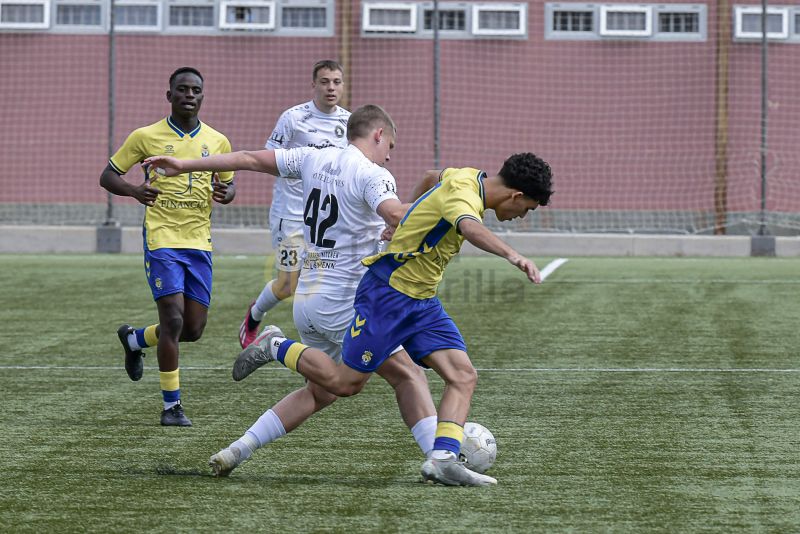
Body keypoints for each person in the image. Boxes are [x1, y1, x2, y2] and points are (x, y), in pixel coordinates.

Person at [144, 104, 439, 474]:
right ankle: (439, 458)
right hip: (345, 301)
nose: (390, 154)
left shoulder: (311, 157)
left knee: (320, 393)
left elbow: (249, 158)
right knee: (407, 374)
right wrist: (448, 205)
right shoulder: (374, 174)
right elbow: (396, 214)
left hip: (308, 295)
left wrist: (183, 165)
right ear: (378, 134)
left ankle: (237, 449)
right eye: (390, 144)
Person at [232, 152, 553, 486]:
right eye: (526, 209)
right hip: (387, 296)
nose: (521, 216)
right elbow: (469, 227)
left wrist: (404, 219)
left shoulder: (469, 175)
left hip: (422, 303)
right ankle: (276, 345)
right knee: (345, 384)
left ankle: (443, 459)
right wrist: (513, 255)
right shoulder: (465, 196)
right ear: (516, 196)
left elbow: (431, 176)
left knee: (463, 375)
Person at [99, 67, 236, 427]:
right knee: (172, 319)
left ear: (202, 97)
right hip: (162, 239)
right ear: (169, 95)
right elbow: (108, 175)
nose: (189, 95)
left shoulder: (218, 141)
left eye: (195, 90)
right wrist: (134, 190)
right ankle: (171, 406)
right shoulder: (145, 136)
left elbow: (229, 184)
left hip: (199, 242)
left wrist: (227, 193)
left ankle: (134, 340)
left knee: (192, 329)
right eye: (182, 89)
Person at [238, 60, 351, 349]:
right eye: (325, 81)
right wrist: (304, 165)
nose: (331, 87)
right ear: (313, 85)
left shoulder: (349, 123)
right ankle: (254, 316)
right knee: (288, 285)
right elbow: (268, 158)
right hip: (290, 216)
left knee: (321, 280)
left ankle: (322, 343)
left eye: (336, 82)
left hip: (327, 220)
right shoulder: (293, 118)